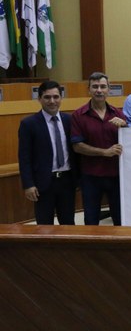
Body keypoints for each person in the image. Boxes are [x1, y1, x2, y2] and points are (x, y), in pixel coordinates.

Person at [18, 80, 77, 225]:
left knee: (68, 223)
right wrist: (28, 184)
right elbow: (24, 157)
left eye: (56, 97)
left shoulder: (70, 120)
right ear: (39, 99)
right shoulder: (29, 124)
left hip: (67, 181)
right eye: (47, 97)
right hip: (43, 183)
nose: (52, 101)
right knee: (44, 225)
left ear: (61, 98)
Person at [71, 72, 127, 226]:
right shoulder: (78, 115)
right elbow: (77, 146)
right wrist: (104, 152)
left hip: (116, 176)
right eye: (95, 87)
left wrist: (125, 127)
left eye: (103, 87)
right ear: (88, 90)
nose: (99, 90)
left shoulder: (118, 114)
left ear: (109, 89)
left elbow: (128, 141)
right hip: (91, 176)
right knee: (91, 219)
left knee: (120, 218)